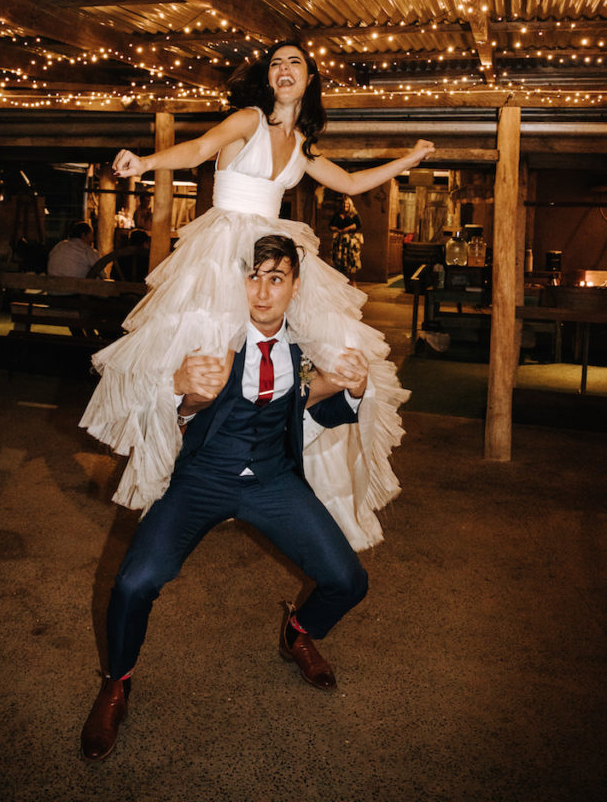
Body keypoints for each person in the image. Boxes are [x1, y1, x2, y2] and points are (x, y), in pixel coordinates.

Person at [80, 41, 434, 552]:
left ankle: (287, 448)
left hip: (271, 250)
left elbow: (353, 184)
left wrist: (413, 157)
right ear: (268, 79)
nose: (284, 70)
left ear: (309, 79)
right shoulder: (249, 118)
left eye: (295, 63)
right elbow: (201, 149)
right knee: (207, 363)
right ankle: (185, 472)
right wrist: (146, 162)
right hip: (225, 250)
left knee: (301, 348)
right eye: (276, 63)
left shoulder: (303, 144)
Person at [81, 235, 372, 761]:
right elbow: (156, 404)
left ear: (295, 287)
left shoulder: (303, 347)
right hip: (202, 478)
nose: (262, 292)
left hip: (274, 479)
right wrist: (180, 385)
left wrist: (352, 386)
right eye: (252, 276)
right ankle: (116, 683)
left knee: (348, 581)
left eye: (276, 278)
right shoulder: (209, 337)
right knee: (133, 582)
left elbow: (313, 403)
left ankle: (298, 630)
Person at [329, 194, 363, 284]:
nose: (345, 206)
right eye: (344, 204)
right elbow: (331, 226)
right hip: (339, 241)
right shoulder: (337, 215)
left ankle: (353, 281)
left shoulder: (354, 214)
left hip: (350, 241)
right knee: (340, 261)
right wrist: (336, 229)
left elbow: (359, 225)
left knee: (351, 261)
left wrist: (348, 228)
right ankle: (342, 282)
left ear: (350, 205)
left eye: (347, 204)